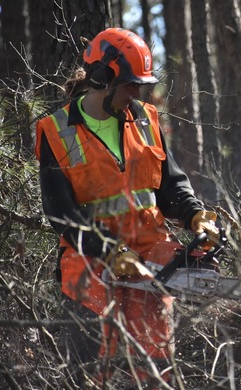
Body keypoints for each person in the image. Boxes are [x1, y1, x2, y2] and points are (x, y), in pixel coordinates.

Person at [35, 27, 221, 387]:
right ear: (103, 77)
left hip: (149, 254)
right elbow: (61, 213)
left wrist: (195, 214)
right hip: (91, 259)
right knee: (89, 371)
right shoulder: (56, 131)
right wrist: (108, 249)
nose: (138, 92)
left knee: (156, 371)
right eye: (131, 84)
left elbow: (171, 186)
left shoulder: (147, 120)